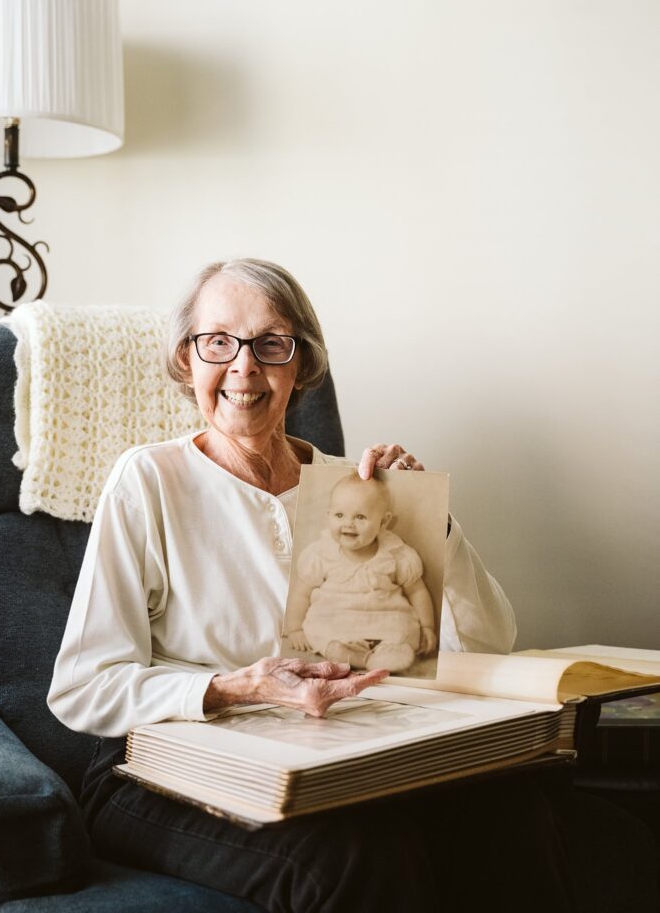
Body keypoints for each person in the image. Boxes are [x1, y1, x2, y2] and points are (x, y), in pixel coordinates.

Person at [46, 259, 656, 913]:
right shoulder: (148, 480)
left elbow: (485, 641)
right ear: (185, 361)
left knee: (511, 811)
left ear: (301, 364)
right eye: (217, 342)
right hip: (166, 769)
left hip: (332, 757)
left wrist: (430, 520)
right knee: (358, 857)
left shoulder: (352, 488)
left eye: (269, 344)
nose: (243, 367)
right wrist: (235, 688)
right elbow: (82, 687)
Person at [286, 472, 437, 672]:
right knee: (320, 629)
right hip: (335, 617)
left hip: (386, 617)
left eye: (360, 517)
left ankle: (390, 652)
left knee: (405, 629)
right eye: (339, 515)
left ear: (383, 522)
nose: (348, 523)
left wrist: (427, 626)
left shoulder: (395, 554)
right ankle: (352, 654)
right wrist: (295, 628)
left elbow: (417, 591)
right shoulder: (321, 554)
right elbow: (301, 593)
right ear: (328, 515)